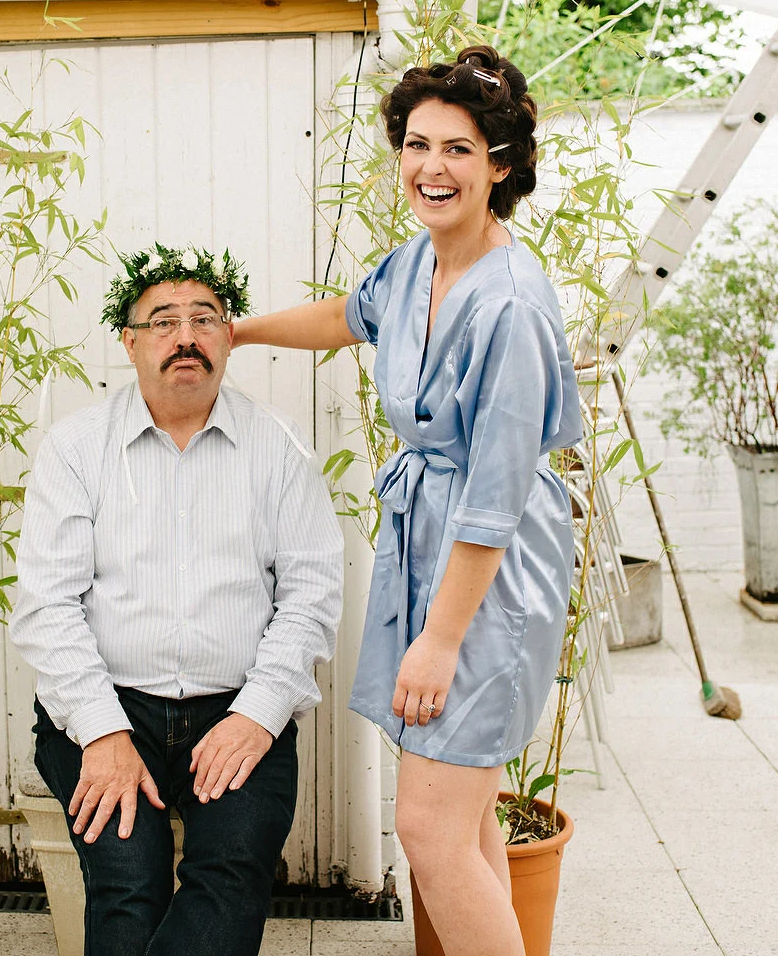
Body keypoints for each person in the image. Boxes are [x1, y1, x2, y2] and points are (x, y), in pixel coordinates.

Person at [234, 46, 582, 955]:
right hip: (431, 539)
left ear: (500, 165)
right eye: (418, 144)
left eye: (459, 149)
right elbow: (347, 317)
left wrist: (439, 637)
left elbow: (496, 501)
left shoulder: (509, 305)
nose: (432, 167)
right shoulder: (416, 265)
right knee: (463, 823)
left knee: (427, 829)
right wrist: (232, 331)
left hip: (488, 568)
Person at [9, 243, 344, 956]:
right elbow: (46, 605)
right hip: (106, 704)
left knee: (231, 875)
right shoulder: (75, 450)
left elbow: (312, 596)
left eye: (204, 317)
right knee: (128, 880)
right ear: (128, 343)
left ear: (229, 336)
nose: (185, 335)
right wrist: (101, 732)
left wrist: (257, 716)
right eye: (162, 320)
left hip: (238, 706)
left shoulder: (279, 449)